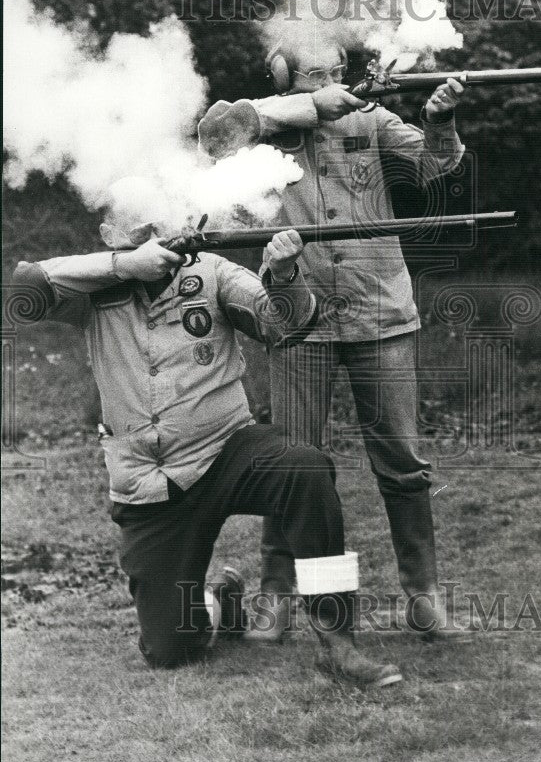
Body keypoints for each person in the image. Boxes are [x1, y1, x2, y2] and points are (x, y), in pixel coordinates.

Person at [11, 216, 402, 687]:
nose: (144, 227)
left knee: (305, 467)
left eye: (151, 216)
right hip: (149, 479)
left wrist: (283, 276)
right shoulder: (92, 284)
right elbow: (24, 287)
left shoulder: (212, 271)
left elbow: (284, 327)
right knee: (170, 650)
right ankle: (223, 599)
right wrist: (125, 264)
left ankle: (339, 644)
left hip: (227, 450)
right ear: (107, 232)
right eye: (129, 221)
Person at [198, 39, 472, 641]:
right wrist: (307, 106)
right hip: (299, 320)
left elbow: (435, 166)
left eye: (335, 73)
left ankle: (423, 596)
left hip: (381, 311)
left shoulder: (371, 121)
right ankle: (275, 596)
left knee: (402, 462)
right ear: (286, 81)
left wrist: (440, 119)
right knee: (293, 464)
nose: (332, 82)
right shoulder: (262, 128)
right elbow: (214, 131)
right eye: (315, 76)